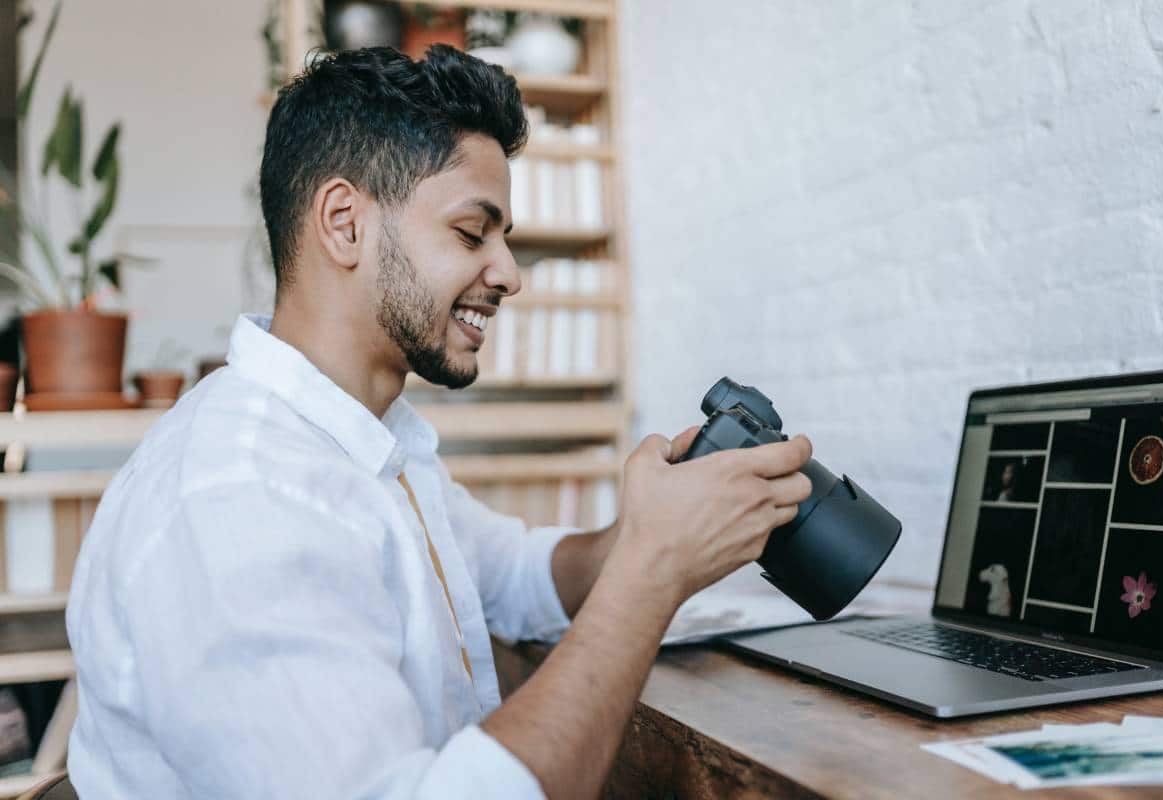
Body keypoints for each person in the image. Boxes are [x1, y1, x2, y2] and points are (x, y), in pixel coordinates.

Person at [65, 46, 813, 799]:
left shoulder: (371, 439)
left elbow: (514, 574)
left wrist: (667, 517)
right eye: (470, 232)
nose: (509, 273)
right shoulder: (241, 497)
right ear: (344, 224)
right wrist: (653, 569)